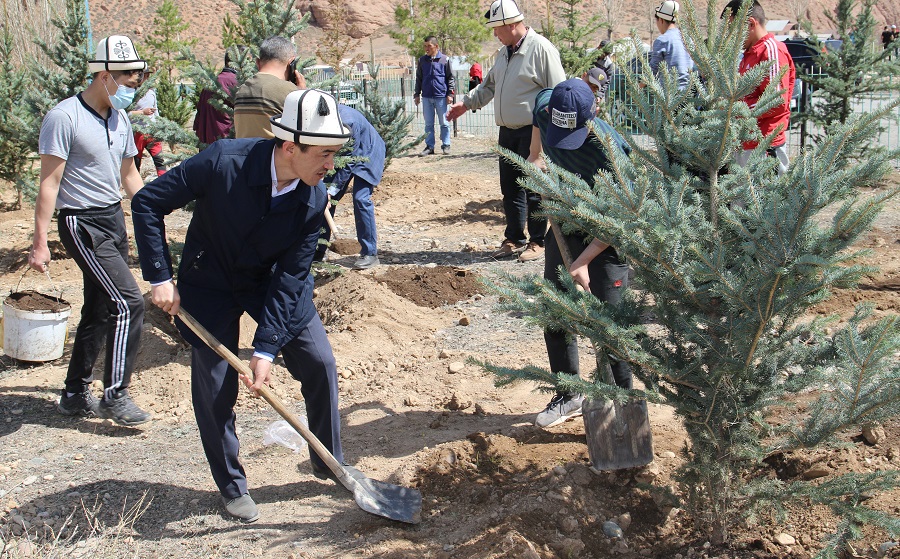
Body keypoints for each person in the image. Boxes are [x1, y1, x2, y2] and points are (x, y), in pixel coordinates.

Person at [131, 89, 350, 523]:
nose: (330, 165)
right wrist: (159, 276)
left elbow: (291, 280)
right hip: (209, 281)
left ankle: (329, 462)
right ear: (290, 146)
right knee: (215, 389)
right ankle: (231, 485)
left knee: (319, 361)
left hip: (268, 283)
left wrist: (266, 349)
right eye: (324, 154)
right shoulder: (222, 162)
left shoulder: (312, 201)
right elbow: (147, 202)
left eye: (334, 154)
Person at [27, 35, 152, 427]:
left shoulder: (120, 117)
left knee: (99, 308)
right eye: (127, 80)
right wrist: (39, 243)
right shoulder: (64, 117)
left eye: (136, 80)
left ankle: (73, 394)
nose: (132, 88)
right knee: (129, 301)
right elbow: (49, 182)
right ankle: (115, 395)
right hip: (81, 222)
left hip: (113, 218)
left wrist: (153, 212)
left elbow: (129, 174)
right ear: (103, 75)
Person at [527, 79, 632, 428]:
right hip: (565, 217)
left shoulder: (610, 150)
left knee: (609, 323)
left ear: (595, 113)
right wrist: (534, 156)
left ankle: (625, 409)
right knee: (555, 307)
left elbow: (619, 217)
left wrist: (584, 260)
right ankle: (569, 393)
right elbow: (535, 120)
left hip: (607, 231)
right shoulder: (546, 105)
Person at [447, 0, 565, 262]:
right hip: (507, 133)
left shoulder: (541, 49)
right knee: (510, 188)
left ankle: (537, 242)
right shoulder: (504, 53)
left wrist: (550, 137)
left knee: (535, 189)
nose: (494, 34)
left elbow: (559, 93)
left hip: (533, 132)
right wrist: (465, 105)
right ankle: (514, 238)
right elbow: (488, 86)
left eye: (496, 28)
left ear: (511, 25)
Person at [723, 0, 795, 175]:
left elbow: (776, 101)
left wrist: (736, 109)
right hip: (744, 145)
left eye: (733, 29)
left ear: (750, 23)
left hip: (764, 148)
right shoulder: (748, 54)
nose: (731, 37)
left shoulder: (771, 51)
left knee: (764, 201)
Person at [315, 103, 386, 270]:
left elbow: (349, 162)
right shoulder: (322, 118)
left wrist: (333, 189)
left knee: (361, 198)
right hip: (343, 154)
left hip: (368, 151)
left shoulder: (348, 124)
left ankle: (370, 253)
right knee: (324, 199)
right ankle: (318, 251)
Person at [233, 36, 304, 138]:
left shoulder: (242, 90)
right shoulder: (289, 91)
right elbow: (307, 129)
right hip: (273, 153)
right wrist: (302, 93)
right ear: (291, 62)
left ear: (258, 62)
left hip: (244, 152)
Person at [414, 36, 455, 156]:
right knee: (428, 124)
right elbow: (419, 79)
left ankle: (446, 145)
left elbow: (450, 78)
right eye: (425, 46)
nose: (426, 48)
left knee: (444, 123)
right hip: (426, 97)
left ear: (436, 46)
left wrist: (450, 93)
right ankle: (429, 147)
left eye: (429, 46)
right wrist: (417, 94)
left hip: (441, 96)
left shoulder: (445, 60)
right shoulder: (422, 61)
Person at [193, 50, 240, 145]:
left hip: (206, 146)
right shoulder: (237, 83)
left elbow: (198, 118)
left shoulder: (210, 83)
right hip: (229, 145)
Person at [649, 0, 695, 90]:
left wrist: (637, 88)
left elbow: (652, 71)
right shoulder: (688, 38)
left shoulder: (662, 40)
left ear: (661, 20)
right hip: (689, 92)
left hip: (670, 95)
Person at [130, 72, 166, 177]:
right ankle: (135, 190)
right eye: (143, 75)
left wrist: (160, 127)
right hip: (137, 132)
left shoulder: (151, 92)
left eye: (147, 76)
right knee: (135, 163)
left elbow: (156, 111)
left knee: (160, 161)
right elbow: (124, 113)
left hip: (152, 132)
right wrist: (142, 112)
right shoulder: (131, 93)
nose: (145, 78)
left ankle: (165, 186)